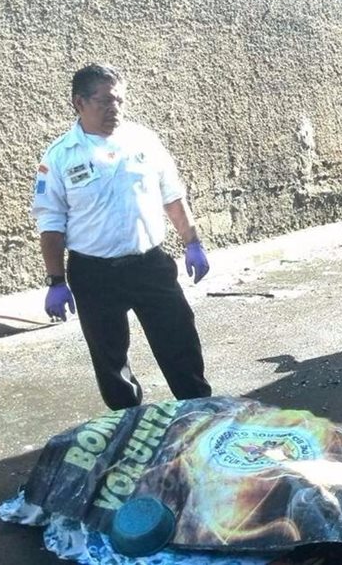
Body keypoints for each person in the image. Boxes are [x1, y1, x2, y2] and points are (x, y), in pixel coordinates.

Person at [32, 63, 213, 411]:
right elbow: (51, 223)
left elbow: (172, 195)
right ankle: (129, 425)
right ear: (79, 103)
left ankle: (198, 416)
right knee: (111, 360)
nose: (114, 108)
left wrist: (193, 242)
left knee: (180, 342)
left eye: (119, 100)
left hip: (150, 266)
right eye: (104, 101)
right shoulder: (59, 157)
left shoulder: (143, 141)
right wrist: (56, 280)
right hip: (94, 274)